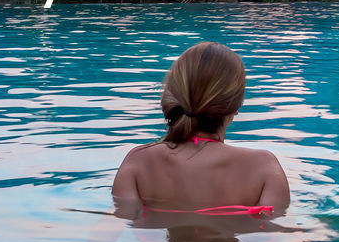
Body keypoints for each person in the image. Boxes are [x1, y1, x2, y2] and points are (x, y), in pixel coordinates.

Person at [111, 41, 290, 219]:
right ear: (236, 105)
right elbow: (276, 239)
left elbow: (115, 227)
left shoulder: (139, 162)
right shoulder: (263, 167)